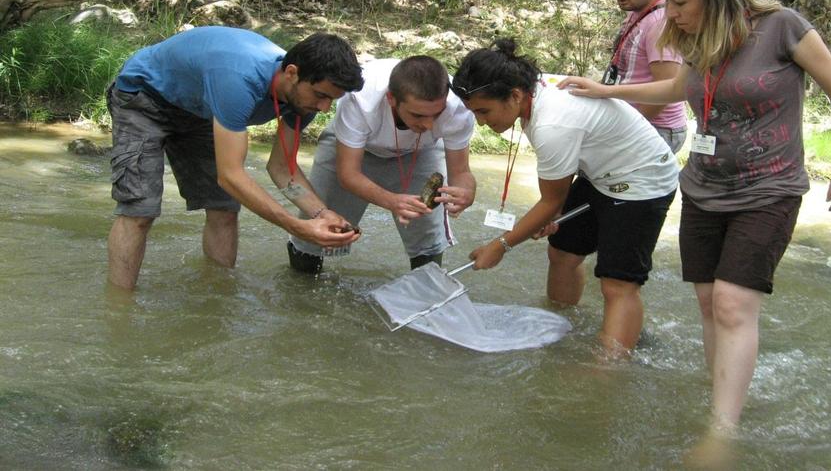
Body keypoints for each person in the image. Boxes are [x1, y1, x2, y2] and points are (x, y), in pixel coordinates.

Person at [559, 0, 831, 460]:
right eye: (667, 2)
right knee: (708, 302)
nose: (670, 12)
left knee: (731, 302)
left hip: (769, 186)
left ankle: (722, 432)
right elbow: (677, 89)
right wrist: (606, 91)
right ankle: (720, 396)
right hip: (703, 186)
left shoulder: (783, 26)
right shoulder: (697, 35)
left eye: (679, 2)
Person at [451, 39, 678, 356]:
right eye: (474, 113)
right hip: (599, 174)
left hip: (643, 182)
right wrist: (542, 219)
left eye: (484, 111)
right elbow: (552, 202)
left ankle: (608, 369)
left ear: (515, 95)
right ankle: (560, 325)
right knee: (562, 253)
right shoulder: (534, 93)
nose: (481, 122)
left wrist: (500, 245)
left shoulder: (552, 122)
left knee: (618, 284)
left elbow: (550, 202)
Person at [106, 26, 365, 291]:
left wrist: (321, 213)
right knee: (139, 212)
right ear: (291, 73)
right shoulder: (239, 81)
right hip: (143, 97)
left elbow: (282, 169)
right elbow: (230, 176)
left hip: (202, 109)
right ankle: (118, 311)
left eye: (332, 100)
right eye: (321, 95)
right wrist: (297, 226)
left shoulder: (303, 101)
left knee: (224, 209)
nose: (324, 108)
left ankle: (217, 304)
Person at [287, 56, 477, 274]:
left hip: (421, 151)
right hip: (355, 148)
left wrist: (466, 192)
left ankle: (425, 293)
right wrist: (391, 201)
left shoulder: (458, 107)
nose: (428, 124)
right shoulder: (360, 97)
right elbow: (348, 174)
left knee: (427, 233)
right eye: (418, 115)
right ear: (391, 99)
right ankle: (302, 287)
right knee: (318, 228)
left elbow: (461, 172)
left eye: (437, 114)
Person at [602, 0, 689, 153]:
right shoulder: (638, 15)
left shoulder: (659, 23)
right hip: (637, 121)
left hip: (656, 128)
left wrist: (629, 129)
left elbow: (668, 87)